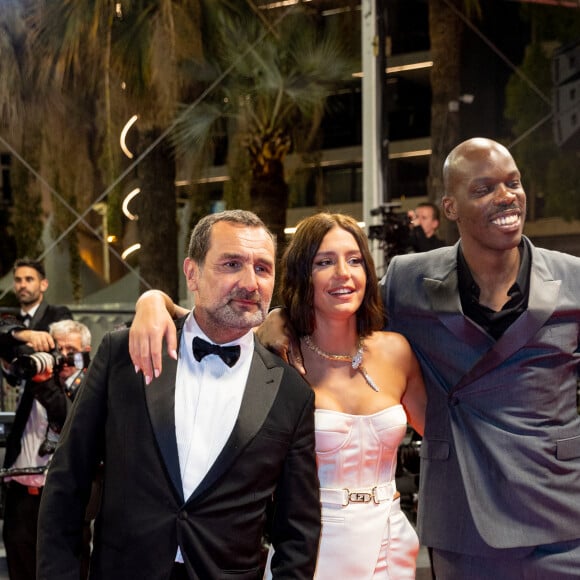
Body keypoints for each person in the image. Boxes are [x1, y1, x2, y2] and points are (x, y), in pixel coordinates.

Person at [129, 212, 427, 578]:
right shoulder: (274, 355)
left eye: (354, 260)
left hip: (390, 536)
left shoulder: (397, 351)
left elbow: (443, 437)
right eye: (324, 262)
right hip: (314, 545)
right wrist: (152, 300)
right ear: (302, 273)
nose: (343, 274)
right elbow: (208, 323)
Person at [37, 210, 321, 580]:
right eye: (232, 264)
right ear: (192, 274)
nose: (250, 283)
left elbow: (297, 531)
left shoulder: (290, 392)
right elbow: (67, 483)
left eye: (263, 269)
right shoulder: (124, 354)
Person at [0, 258, 72, 580]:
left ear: (43, 284)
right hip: (23, 443)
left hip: (53, 445)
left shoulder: (58, 315)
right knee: (18, 548)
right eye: (18, 279)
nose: (22, 285)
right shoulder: (10, 318)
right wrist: (24, 334)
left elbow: (62, 346)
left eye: (29, 279)